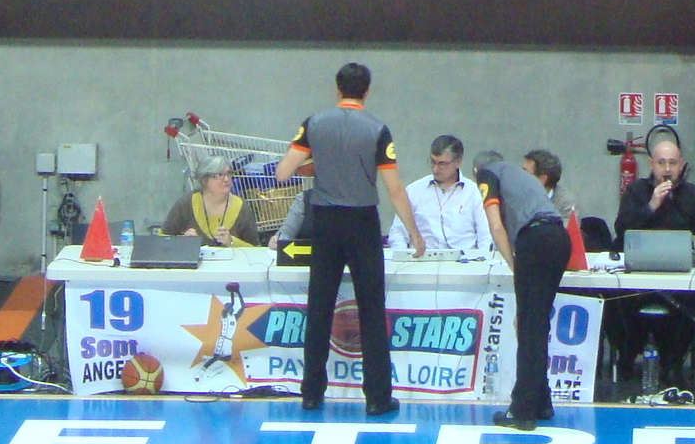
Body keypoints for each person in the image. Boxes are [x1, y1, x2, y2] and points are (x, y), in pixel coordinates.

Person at [275, 61, 429, 413]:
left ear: (337, 88)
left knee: (319, 306)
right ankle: (376, 397)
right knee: (372, 309)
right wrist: (414, 234)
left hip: (325, 221)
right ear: (367, 91)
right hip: (362, 224)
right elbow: (394, 189)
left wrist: (321, 164)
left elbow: (284, 171)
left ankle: (311, 392)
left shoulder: (313, 124)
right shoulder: (378, 130)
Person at [610, 126, 695, 385]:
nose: (667, 169)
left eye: (672, 163)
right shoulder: (637, 191)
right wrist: (652, 206)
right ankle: (626, 359)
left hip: (679, 278)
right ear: (651, 165)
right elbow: (621, 228)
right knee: (616, 302)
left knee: (692, 305)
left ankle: (674, 364)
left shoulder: (693, 195)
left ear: (681, 165)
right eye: (661, 163)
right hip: (638, 276)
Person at [479, 150, 573, 431]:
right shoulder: (520, 176)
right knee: (537, 324)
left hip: (536, 240)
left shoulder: (487, 174)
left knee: (529, 327)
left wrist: (513, 264)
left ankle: (521, 410)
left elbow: (495, 226)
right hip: (559, 238)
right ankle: (542, 400)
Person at [392, 136, 490, 254]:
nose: (435, 169)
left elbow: (486, 235)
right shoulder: (414, 190)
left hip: (465, 262)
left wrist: (482, 261)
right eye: (433, 162)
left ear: (458, 162)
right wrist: (404, 257)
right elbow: (397, 232)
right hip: (422, 262)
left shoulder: (474, 192)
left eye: (442, 164)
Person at [163, 159, 263, 244]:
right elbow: (162, 239)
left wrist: (232, 242)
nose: (226, 179)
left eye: (228, 174)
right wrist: (183, 241)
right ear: (204, 180)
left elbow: (255, 248)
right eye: (219, 175)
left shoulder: (241, 207)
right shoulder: (186, 203)